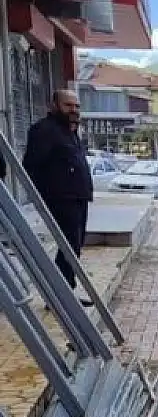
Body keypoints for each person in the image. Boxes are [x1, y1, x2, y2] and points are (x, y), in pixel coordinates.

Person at [22, 89, 94, 305]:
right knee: (69, 245)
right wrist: (44, 195)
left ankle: (62, 293)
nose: (74, 110)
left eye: (77, 106)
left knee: (74, 245)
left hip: (77, 197)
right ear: (54, 105)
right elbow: (31, 166)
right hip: (60, 199)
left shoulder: (69, 131)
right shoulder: (44, 130)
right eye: (68, 105)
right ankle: (61, 296)